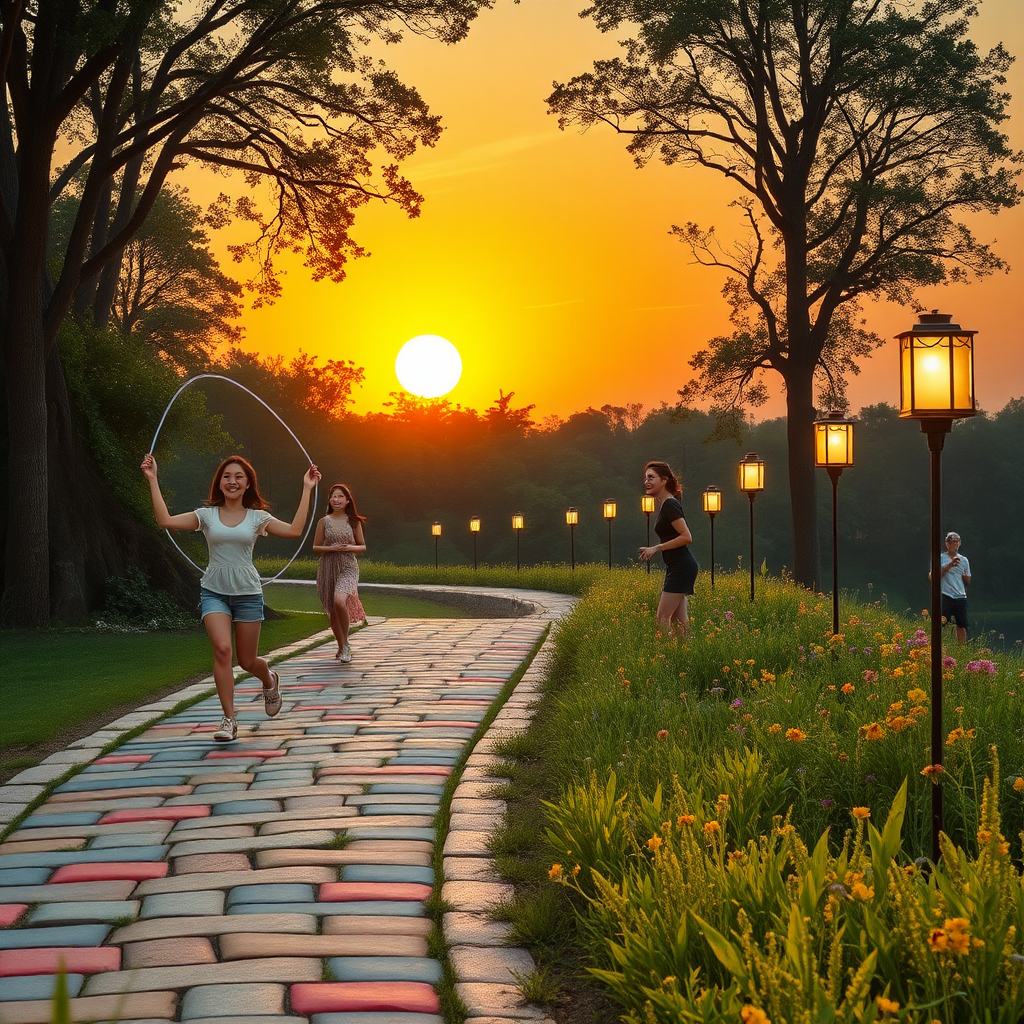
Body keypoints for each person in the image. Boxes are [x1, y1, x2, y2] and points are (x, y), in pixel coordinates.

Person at [141, 453, 320, 741]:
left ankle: (269, 680)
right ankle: (229, 719)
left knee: (248, 662)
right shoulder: (206, 515)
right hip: (214, 592)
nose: (232, 481)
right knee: (223, 651)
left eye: (238, 477)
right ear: (219, 483)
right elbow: (165, 521)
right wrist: (153, 480)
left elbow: (295, 530)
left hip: (248, 594)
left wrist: (307, 488)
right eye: (226, 476)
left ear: (248, 483)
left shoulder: (257, 517)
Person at [638, 460, 699, 638]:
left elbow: (686, 537)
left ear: (664, 480)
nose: (646, 482)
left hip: (682, 567)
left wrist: (656, 548)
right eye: (645, 478)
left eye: (651, 477)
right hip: (677, 567)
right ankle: (684, 658)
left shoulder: (670, 505)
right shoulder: (665, 504)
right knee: (679, 623)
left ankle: (665, 658)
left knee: (662, 618)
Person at [313, 484, 367, 662]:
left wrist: (349, 547)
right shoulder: (324, 521)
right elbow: (315, 547)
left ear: (347, 500)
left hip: (348, 566)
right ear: (329, 500)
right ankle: (341, 645)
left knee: (339, 600)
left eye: (340, 496)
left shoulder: (353, 521)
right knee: (333, 610)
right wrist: (331, 548)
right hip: (328, 567)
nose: (336, 500)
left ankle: (346, 645)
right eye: (333, 497)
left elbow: (362, 546)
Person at [939, 531, 972, 643]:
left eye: (957, 542)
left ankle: (962, 648)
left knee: (962, 624)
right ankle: (942, 646)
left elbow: (968, 579)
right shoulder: (941, 558)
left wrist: (964, 577)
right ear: (947, 543)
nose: (955, 544)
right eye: (952, 542)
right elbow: (937, 574)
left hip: (960, 595)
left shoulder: (964, 560)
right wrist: (950, 565)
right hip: (946, 594)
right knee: (942, 622)